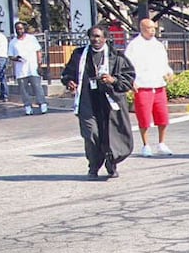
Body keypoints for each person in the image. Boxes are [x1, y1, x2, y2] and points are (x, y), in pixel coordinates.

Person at [64, 26, 134, 179]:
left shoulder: (116, 56)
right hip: (87, 101)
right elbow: (69, 72)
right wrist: (70, 81)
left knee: (110, 136)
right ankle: (93, 166)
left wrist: (113, 80)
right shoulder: (80, 55)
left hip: (109, 102)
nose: (95, 39)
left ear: (105, 38)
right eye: (92, 36)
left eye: (98, 36)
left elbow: (129, 77)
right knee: (91, 134)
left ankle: (111, 163)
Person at [123, 17, 174, 156]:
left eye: (153, 29)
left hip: (158, 85)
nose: (152, 31)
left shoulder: (158, 45)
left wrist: (169, 72)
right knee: (144, 117)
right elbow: (127, 65)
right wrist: (131, 81)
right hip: (143, 85)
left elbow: (164, 63)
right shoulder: (134, 45)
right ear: (141, 29)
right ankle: (146, 145)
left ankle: (162, 143)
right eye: (148, 29)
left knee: (163, 116)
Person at [8, 21, 46, 114]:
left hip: (32, 67)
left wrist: (39, 64)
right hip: (21, 70)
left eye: (21, 29)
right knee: (24, 89)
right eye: (17, 29)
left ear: (24, 29)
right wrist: (16, 58)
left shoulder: (31, 39)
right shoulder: (13, 42)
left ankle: (42, 104)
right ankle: (28, 106)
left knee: (37, 87)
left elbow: (38, 51)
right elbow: (10, 55)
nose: (19, 31)